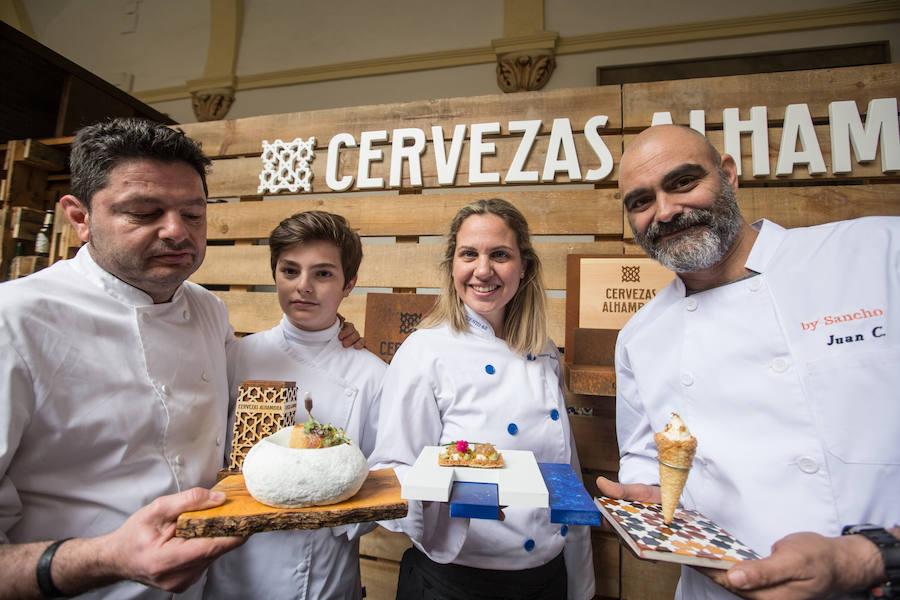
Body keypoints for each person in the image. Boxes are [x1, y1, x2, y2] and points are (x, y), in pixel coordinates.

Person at [0, 119, 361, 599]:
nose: (176, 231)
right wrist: (105, 559)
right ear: (79, 217)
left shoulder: (208, 311)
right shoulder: (15, 322)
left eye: (193, 214)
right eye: (144, 212)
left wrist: (332, 338)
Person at [598, 124, 900, 599]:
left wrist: (869, 557)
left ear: (730, 176)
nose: (665, 211)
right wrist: (649, 505)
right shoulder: (640, 335)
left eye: (682, 183)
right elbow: (643, 455)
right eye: (640, 201)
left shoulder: (879, 253)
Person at [369, 198, 595, 600]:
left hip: (547, 577)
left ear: (523, 266)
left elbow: (566, 473)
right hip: (457, 582)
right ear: (452, 266)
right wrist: (454, 495)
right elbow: (391, 472)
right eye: (468, 254)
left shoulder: (542, 349)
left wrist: (581, 584)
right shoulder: (425, 350)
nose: (483, 270)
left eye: (500, 255)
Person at [204, 211, 386, 599]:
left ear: (348, 283)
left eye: (323, 274)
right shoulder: (237, 356)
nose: (303, 287)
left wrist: (335, 519)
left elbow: (382, 476)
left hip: (323, 568)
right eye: (290, 271)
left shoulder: (372, 375)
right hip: (236, 565)